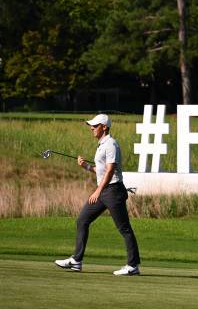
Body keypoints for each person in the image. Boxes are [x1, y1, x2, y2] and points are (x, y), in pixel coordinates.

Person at [54, 114, 141, 276]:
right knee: (82, 220)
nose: (92, 128)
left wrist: (98, 191)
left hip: (113, 191)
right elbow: (101, 170)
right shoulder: (101, 145)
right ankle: (76, 261)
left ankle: (133, 265)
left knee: (124, 228)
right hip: (104, 190)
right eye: (91, 126)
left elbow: (110, 170)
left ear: (105, 127)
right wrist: (86, 167)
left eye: (95, 125)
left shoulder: (111, 144)